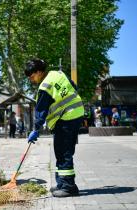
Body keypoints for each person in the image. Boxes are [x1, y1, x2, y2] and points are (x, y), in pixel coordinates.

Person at [24, 58, 84, 197]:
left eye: (32, 76)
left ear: (39, 72)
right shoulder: (58, 74)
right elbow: (74, 86)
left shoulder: (45, 86)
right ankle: (62, 183)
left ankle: (69, 187)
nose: (31, 80)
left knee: (63, 152)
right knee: (61, 150)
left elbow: (41, 112)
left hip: (66, 117)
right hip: (76, 113)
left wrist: (35, 130)